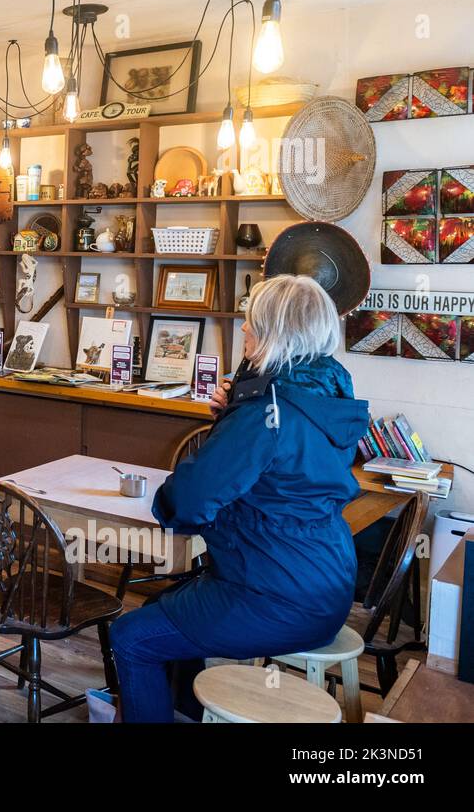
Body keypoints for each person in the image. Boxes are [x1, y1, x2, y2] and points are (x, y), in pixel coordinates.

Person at [109, 274, 369, 723]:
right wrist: (236, 411)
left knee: (132, 637)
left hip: (274, 593)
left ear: (274, 332)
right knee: (162, 612)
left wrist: (234, 421)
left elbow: (188, 501)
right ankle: (188, 714)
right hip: (327, 584)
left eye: (252, 322)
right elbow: (276, 475)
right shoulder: (324, 397)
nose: (244, 330)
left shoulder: (264, 413)